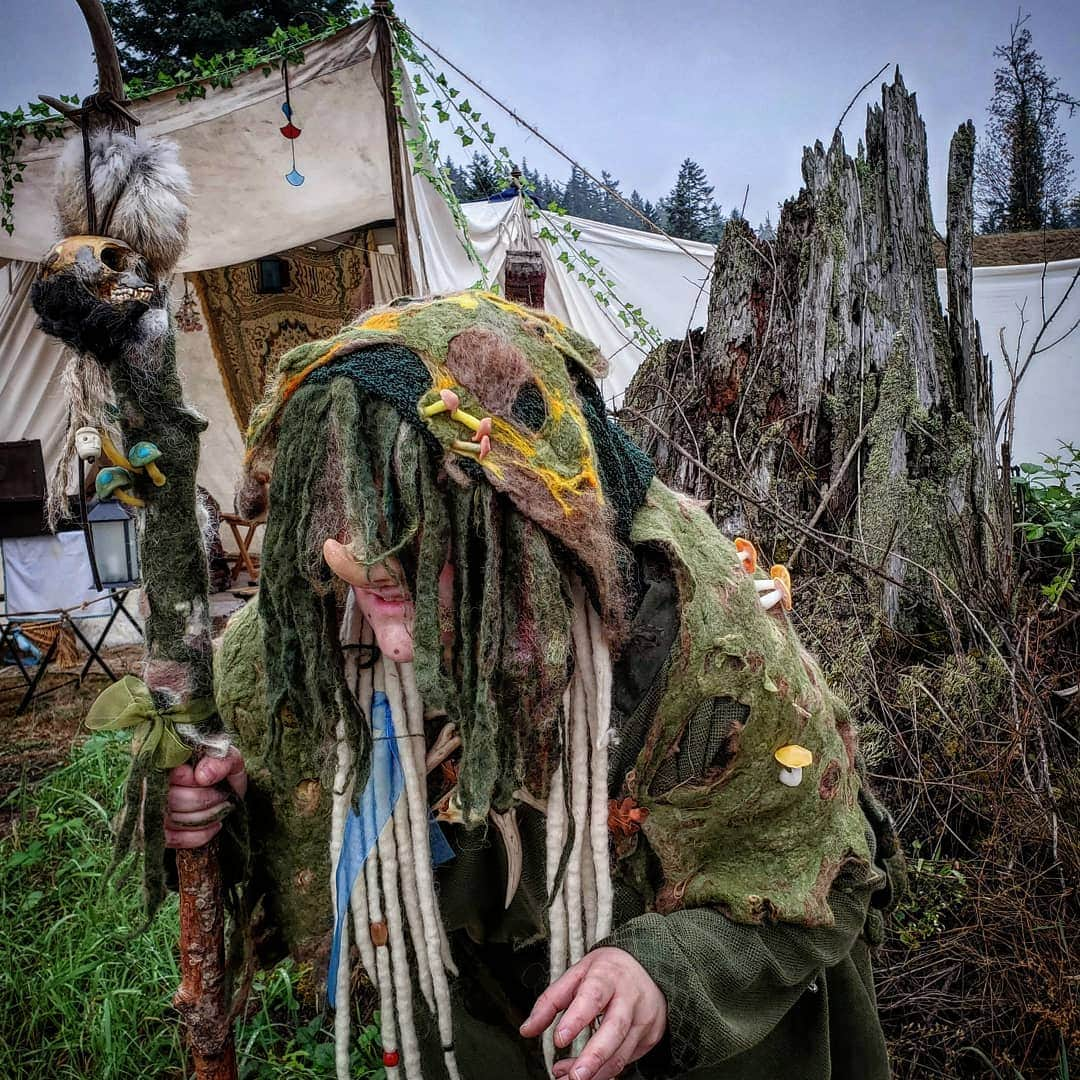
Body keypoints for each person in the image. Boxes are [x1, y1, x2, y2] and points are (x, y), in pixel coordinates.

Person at [165, 291, 902, 1080]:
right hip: (483, 1013)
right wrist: (227, 797)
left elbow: (813, 863)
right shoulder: (308, 618)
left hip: (714, 1033)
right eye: (365, 580)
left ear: (525, 533)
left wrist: (664, 974)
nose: (395, 634)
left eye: (423, 572)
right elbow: (294, 774)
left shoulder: (702, 636)